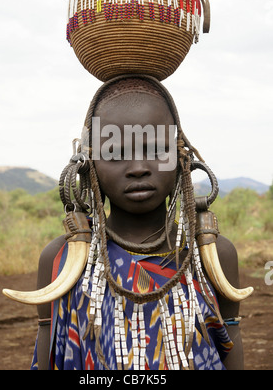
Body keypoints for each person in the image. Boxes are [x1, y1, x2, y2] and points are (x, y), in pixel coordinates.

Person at [30, 75, 245, 370]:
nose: (139, 168)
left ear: (182, 159)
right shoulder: (60, 260)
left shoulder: (213, 254)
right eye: (115, 153)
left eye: (157, 150)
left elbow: (229, 339)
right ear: (88, 163)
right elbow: (50, 353)